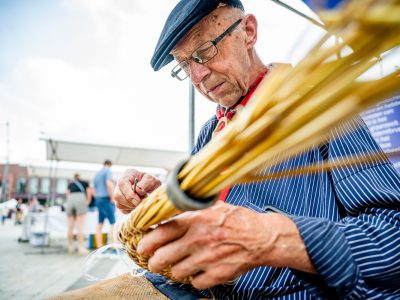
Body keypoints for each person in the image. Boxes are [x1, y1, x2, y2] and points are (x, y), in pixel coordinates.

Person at [58, 1, 400, 299]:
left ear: (248, 31)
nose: (198, 75)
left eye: (205, 51)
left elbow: (391, 237)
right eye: (184, 65)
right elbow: (205, 224)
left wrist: (268, 236)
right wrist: (160, 203)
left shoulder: (315, 109)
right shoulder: (211, 132)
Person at [66, 174, 91, 255]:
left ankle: (70, 247)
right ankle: (81, 248)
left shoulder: (71, 184)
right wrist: (87, 202)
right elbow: (89, 193)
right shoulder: (85, 183)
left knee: (70, 226)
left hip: (70, 200)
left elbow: (67, 194)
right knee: (80, 226)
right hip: (80, 199)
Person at [93, 159, 116, 248]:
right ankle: (114, 246)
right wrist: (112, 198)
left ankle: (99, 246)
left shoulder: (97, 174)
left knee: (100, 223)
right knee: (113, 223)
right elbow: (109, 183)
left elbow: (93, 189)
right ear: (110, 165)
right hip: (106, 199)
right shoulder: (108, 171)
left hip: (98, 199)